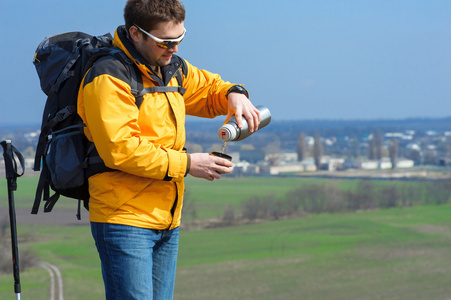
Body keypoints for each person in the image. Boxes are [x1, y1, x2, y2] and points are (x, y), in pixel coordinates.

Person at [77, 0, 261, 299]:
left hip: (167, 218)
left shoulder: (170, 68)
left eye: (180, 39)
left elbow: (208, 88)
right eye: (166, 41)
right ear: (136, 34)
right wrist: (188, 164)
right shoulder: (108, 76)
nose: (174, 48)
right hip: (124, 218)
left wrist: (234, 93)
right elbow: (121, 149)